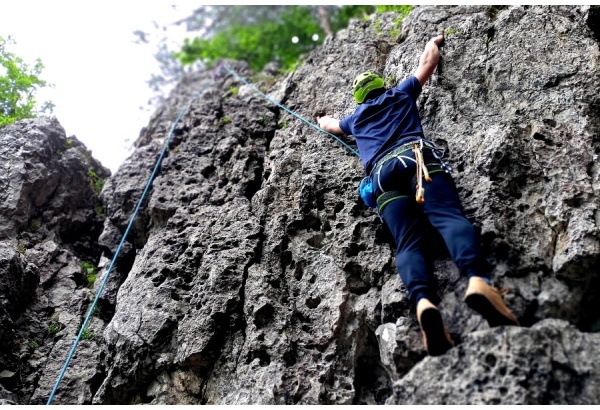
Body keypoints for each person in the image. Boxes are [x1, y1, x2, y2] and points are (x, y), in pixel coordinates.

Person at [317, 34, 519, 357]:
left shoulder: (354, 119)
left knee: (408, 243)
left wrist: (319, 119)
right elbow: (428, 63)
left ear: (359, 99)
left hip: (382, 180)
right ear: (382, 87)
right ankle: (478, 281)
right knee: (447, 217)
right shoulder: (400, 94)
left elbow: (329, 126)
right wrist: (433, 40)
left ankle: (424, 303)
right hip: (416, 159)